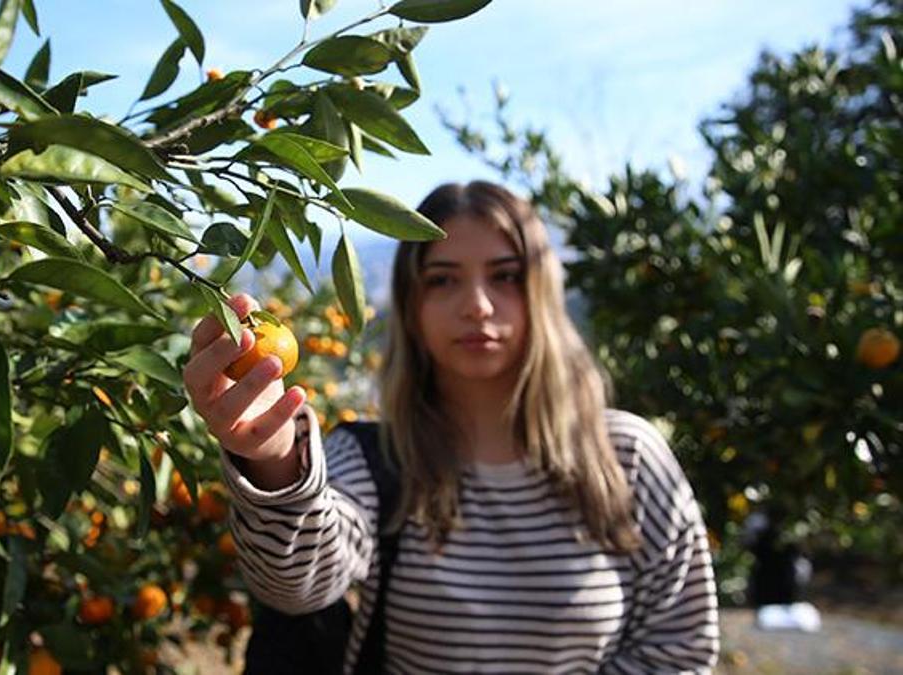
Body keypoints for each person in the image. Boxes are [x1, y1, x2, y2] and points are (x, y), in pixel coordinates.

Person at [183, 181, 720, 673]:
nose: (477, 306)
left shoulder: (627, 456)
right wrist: (275, 462)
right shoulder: (376, 458)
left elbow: (679, 648)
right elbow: (298, 586)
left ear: (542, 293)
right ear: (413, 306)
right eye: (443, 280)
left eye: (505, 276)